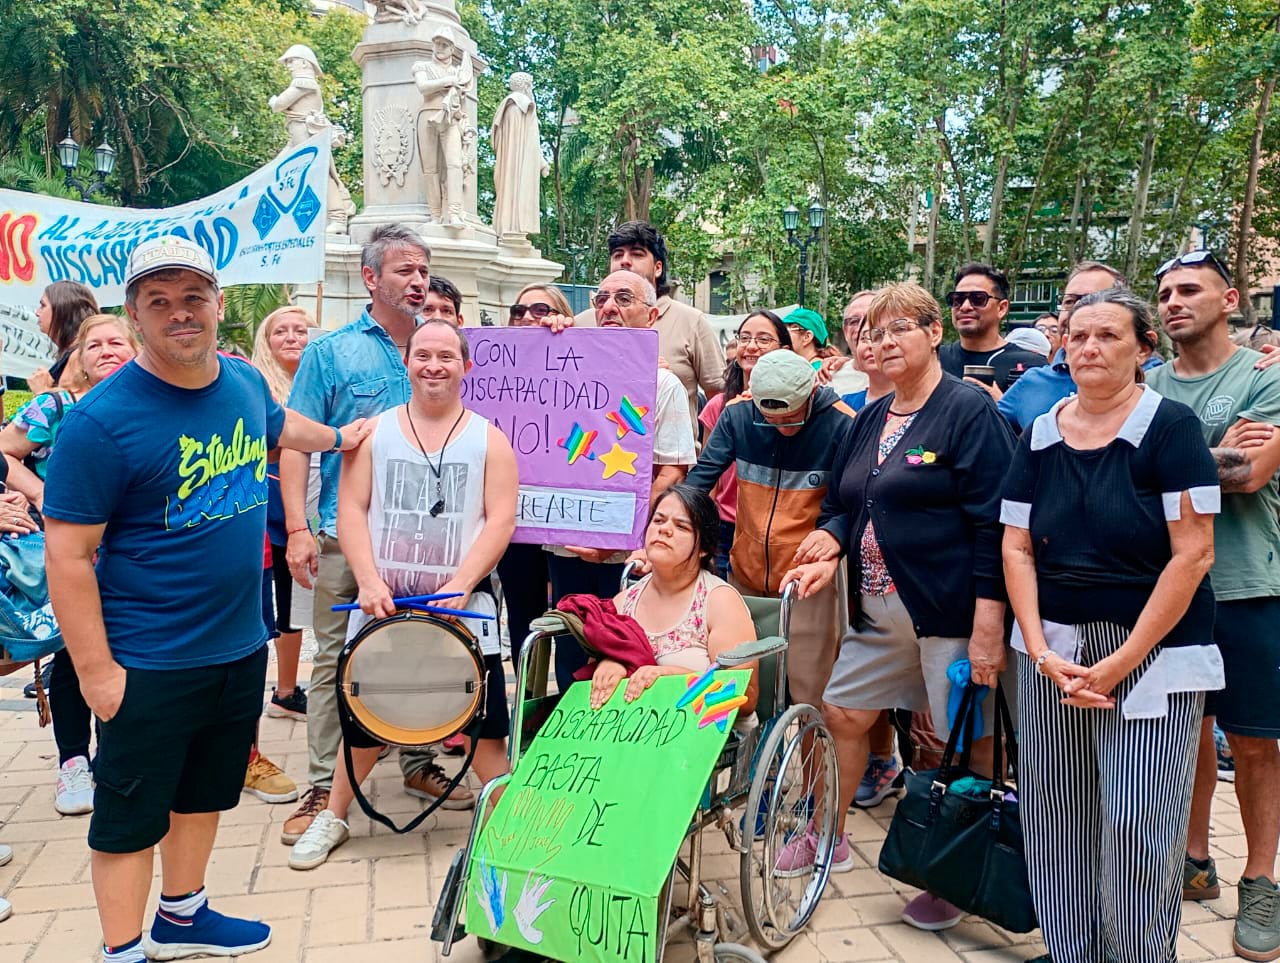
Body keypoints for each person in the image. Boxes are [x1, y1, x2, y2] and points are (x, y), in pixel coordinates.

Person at [42, 235, 371, 963]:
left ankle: (183, 916)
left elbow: (287, 429)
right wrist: (97, 674)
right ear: (133, 317)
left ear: (218, 305)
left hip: (236, 647)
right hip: (146, 659)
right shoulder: (102, 423)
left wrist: (349, 435)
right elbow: (66, 554)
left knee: (203, 793)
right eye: (159, 301)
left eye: (193, 297)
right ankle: (122, 950)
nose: (180, 313)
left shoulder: (244, 382)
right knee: (129, 817)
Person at [779, 282, 1015, 931]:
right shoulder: (869, 420)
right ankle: (828, 838)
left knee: (966, 737)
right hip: (875, 607)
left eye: (898, 329)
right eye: (872, 332)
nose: (881, 343)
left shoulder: (967, 410)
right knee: (844, 711)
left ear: (932, 332)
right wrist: (828, 540)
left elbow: (998, 523)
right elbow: (843, 503)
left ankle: (953, 866)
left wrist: (989, 623)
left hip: (951, 610)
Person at [1002, 286, 1221, 962]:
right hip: (1054, 655)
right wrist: (1038, 650)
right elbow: (1014, 545)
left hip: (1150, 651)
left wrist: (1122, 659)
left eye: (1108, 335)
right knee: (1055, 815)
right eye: (1077, 335)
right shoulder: (1040, 432)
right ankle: (1073, 951)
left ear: (1143, 348)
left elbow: (1195, 552)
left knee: (1137, 824)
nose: (1089, 347)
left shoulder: (1172, 428)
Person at [289, 320, 519, 870]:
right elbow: (351, 510)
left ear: (465, 365)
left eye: (445, 356)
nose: (433, 366)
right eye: (423, 355)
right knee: (369, 717)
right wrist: (368, 580)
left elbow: (501, 518)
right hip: (384, 604)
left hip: (462, 608)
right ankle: (335, 815)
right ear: (407, 362)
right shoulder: (374, 434)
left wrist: (462, 583)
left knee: (484, 723)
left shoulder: (490, 438)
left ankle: (510, 825)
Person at [281, 224, 476, 844]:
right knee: (335, 657)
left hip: (431, 538)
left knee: (417, 652)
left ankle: (418, 762)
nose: (418, 282)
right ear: (371, 278)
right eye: (404, 271)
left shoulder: (443, 343)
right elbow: (294, 443)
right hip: (345, 535)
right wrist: (297, 529)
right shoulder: (331, 352)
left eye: (424, 271)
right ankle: (322, 785)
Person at [1146, 249, 1280, 961]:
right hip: (1167, 591)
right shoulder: (1148, 382)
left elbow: (1252, 473)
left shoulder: (1267, 374)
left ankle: (1261, 878)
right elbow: (1130, 477)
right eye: (1164, 291)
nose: (1173, 300)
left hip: (1247, 584)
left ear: (1230, 298)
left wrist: (1181, 459)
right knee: (1183, 733)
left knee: (1255, 741)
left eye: (1190, 289)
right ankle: (1193, 860)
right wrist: (1211, 451)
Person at [0, 315, 137, 816]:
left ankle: (115, 756)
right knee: (73, 653)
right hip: (67, 553)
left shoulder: (156, 405)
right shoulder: (55, 406)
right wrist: (39, 492)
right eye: (93, 343)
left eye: (117, 341)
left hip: (134, 557)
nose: (105, 350)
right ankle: (73, 761)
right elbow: (2, 452)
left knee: (125, 652)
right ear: (78, 355)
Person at [544, 270, 697, 688]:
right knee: (570, 654)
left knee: (627, 654)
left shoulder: (663, 384)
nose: (609, 306)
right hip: (567, 543)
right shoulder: (557, 372)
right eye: (602, 299)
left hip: (631, 554)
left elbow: (673, 471)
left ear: (650, 317)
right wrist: (541, 342)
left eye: (624, 298)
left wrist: (616, 531)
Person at [589, 485, 758, 711]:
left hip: (704, 734)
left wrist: (673, 678)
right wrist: (609, 665)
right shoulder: (623, 602)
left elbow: (745, 697)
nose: (665, 529)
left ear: (703, 549)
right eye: (658, 521)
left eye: (681, 526)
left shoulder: (719, 602)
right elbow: (589, 683)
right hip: (631, 733)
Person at [494, 284, 575, 674]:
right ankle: (528, 707)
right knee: (524, 619)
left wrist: (570, 336)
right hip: (516, 520)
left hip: (568, 522)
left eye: (540, 309)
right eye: (518, 309)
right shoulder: (490, 370)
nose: (527, 316)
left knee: (570, 623)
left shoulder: (580, 357)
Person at [574, 221, 725, 426]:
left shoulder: (692, 322)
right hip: (593, 453)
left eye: (637, 254)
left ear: (658, 268)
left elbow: (718, 401)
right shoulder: (581, 324)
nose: (625, 261)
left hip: (670, 456)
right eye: (617, 254)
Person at [697, 311, 793, 579]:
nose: (751, 346)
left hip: (775, 529)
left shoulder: (796, 408)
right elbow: (708, 477)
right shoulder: (719, 405)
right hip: (726, 527)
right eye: (745, 338)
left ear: (784, 349)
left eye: (763, 339)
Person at [251, 307, 312, 723]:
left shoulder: (316, 381)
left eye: (301, 330)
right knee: (260, 605)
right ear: (266, 341)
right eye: (280, 331)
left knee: (296, 600)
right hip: (262, 508)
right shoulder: (255, 385)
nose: (292, 338)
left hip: (305, 505)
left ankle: (286, 690)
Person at [997, 262, 1133, 434]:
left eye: (1092, 300)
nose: (1078, 310)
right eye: (1070, 301)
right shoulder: (1031, 382)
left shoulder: (1148, 382)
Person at [938, 262, 1046, 397]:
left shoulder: (1031, 366)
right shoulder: (934, 360)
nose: (965, 307)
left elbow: (1037, 417)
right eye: (957, 299)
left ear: (1001, 308)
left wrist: (999, 405)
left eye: (978, 299)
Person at [29, 280, 97, 392]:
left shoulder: (78, 356)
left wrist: (42, 392)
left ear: (62, 309)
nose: (37, 312)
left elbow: (73, 407)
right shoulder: (78, 351)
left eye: (43, 305)